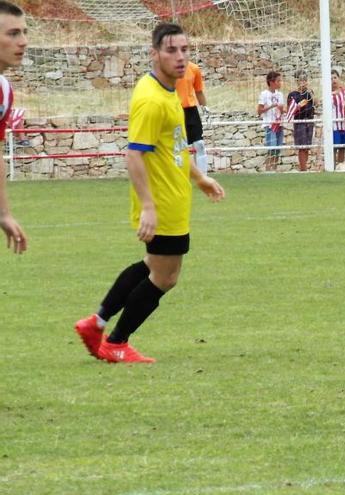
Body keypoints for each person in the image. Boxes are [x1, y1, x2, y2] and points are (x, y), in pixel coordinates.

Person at [74, 23, 225, 363]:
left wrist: (198, 177)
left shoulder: (168, 89)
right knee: (166, 276)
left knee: (152, 266)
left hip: (173, 196)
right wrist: (148, 207)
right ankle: (116, 342)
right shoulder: (151, 98)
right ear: (154, 53)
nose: (181, 57)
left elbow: (172, 148)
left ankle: (95, 323)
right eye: (171, 50)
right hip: (163, 202)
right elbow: (134, 154)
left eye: (185, 50)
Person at [0, 1, 27, 255]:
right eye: (12, 33)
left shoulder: (4, 91)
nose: (23, 41)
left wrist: (4, 214)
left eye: (24, 32)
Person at [175, 61, 210, 174]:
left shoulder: (194, 68)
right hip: (175, 110)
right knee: (178, 146)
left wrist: (205, 108)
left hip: (191, 111)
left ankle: (203, 175)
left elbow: (199, 91)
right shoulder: (169, 67)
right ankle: (178, 175)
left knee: (199, 144)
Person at [286, 69, 315, 172]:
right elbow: (289, 110)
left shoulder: (309, 93)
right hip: (300, 122)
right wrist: (298, 106)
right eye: (301, 80)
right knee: (302, 147)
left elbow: (316, 104)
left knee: (307, 146)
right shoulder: (293, 94)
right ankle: (303, 169)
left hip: (310, 121)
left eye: (305, 80)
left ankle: (304, 167)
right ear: (296, 81)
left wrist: (313, 95)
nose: (303, 82)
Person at [258, 71, 285, 171]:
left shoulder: (280, 94)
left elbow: (282, 110)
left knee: (277, 149)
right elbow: (259, 111)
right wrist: (271, 106)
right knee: (271, 148)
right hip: (270, 125)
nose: (280, 83)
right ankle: (268, 170)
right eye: (278, 81)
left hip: (279, 124)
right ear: (271, 82)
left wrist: (286, 109)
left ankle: (274, 169)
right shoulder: (264, 94)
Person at [330, 69, 345, 168]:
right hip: (334, 125)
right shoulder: (328, 94)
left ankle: (340, 167)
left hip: (344, 124)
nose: (333, 80)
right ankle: (333, 167)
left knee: (343, 147)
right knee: (334, 147)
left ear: (339, 79)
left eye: (335, 78)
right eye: (331, 78)